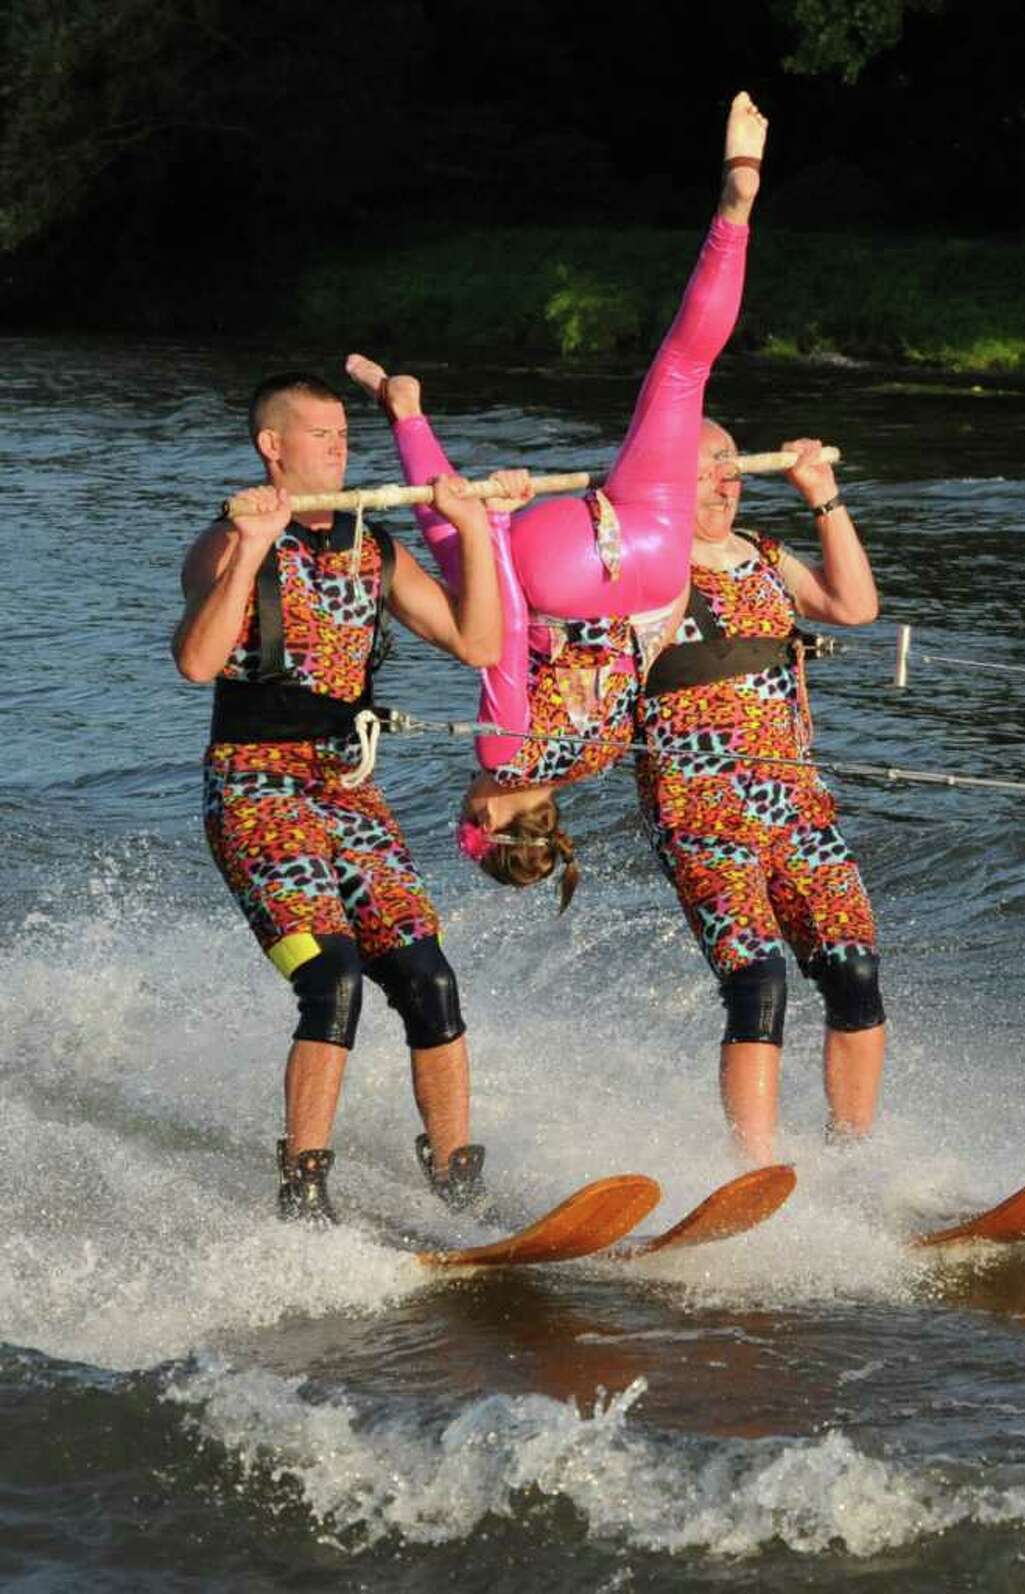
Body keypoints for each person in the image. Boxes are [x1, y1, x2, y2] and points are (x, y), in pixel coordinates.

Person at [345, 90, 768, 909]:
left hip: (653, 572)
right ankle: (407, 414)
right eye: (467, 817)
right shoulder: (505, 753)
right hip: (565, 575)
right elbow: (501, 638)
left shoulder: (588, 762)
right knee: (463, 554)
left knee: (685, 369)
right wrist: (493, 524)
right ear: (489, 815)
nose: (463, 799)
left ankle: (739, 207)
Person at [172, 371, 524, 1223]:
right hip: (254, 794)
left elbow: (478, 642)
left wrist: (477, 530)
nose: (340, 447)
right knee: (331, 982)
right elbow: (195, 661)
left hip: (347, 796)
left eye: (343, 435)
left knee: (428, 980)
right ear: (273, 447)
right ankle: (303, 1189)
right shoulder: (224, 545)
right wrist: (254, 546)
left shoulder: (375, 546)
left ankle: (455, 1178)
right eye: (321, 435)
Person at [633, 421, 886, 1160]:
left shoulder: (768, 557)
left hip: (795, 804)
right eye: (705, 465)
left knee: (854, 971)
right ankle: (755, 1170)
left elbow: (856, 607)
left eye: (730, 464)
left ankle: (853, 1154)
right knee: (758, 982)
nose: (725, 478)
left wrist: (824, 497)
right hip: (697, 809)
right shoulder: (649, 572)